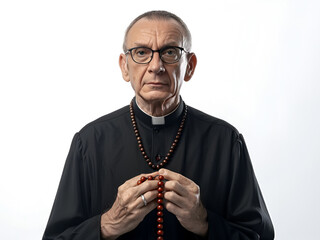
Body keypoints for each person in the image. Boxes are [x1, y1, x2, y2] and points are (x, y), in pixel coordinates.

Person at [43, 10, 274, 240]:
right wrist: (108, 224)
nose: (156, 66)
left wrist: (204, 221)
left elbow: (259, 236)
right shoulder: (90, 142)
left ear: (190, 66)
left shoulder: (225, 141)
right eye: (141, 52)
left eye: (170, 52)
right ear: (124, 66)